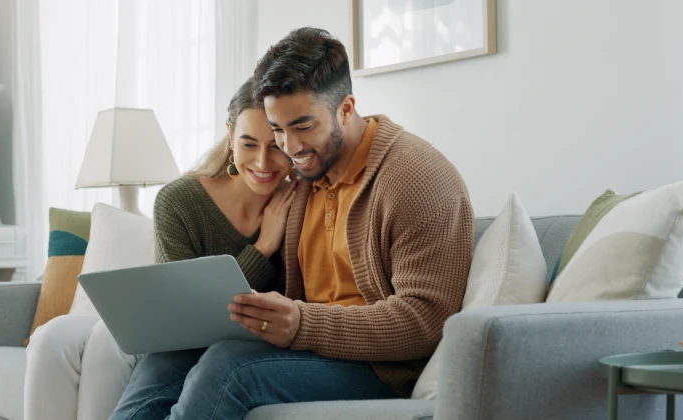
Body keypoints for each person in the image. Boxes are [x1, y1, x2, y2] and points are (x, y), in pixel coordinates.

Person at [110, 27, 475, 420]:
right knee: (164, 362)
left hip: (377, 368)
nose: (290, 148)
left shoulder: (416, 177)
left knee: (229, 367)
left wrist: (303, 324)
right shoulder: (305, 177)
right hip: (306, 350)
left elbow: (427, 321)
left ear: (346, 107)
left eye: (303, 126)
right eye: (278, 129)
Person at [25, 77, 296, 420]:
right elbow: (184, 320)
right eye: (248, 144)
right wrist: (263, 246)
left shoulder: (298, 203)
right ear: (230, 136)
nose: (262, 162)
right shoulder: (180, 200)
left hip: (251, 346)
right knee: (80, 343)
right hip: (180, 344)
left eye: (275, 146)